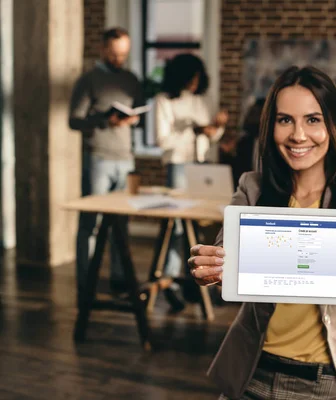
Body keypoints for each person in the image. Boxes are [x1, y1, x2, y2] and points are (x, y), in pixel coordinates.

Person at [188, 66, 336, 399]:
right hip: (253, 373)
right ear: (270, 126)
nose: (298, 136)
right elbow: (224, 269)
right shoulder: (252, 186)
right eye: (285, 120)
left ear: (334, 125)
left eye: (313, 120)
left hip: (333, 381)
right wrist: (210, 270)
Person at [69, 27, 145, 303]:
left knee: (120, 226)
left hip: (126, 159)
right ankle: (85, 283)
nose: (118, 59)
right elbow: (74, 120)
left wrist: (134, 119)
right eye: (113, 53)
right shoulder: (88, 80)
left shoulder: (130, 79)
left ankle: (118, 279)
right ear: (102, 49)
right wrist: (104, 120)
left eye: (123, 54)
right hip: (99, 158)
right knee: (91, 223)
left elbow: (140, 112)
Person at [154, 53, 228, 311]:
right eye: (191, 78)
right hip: (177, 165)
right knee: (176, 227)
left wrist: (216, 128)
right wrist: (191, 130)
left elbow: (212, 137)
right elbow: (162, 140)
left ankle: (194, 282)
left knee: (202, 225)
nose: (195, 83)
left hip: (201, 164)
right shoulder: (164, 101)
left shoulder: (202, 100)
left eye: (198, 78)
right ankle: (171, 282)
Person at [220, 98, 265, 189]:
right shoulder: (245, 142)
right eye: (253, 114)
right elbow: (236, 171)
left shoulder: (276, 144)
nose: (256, 118)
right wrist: (226, 154)